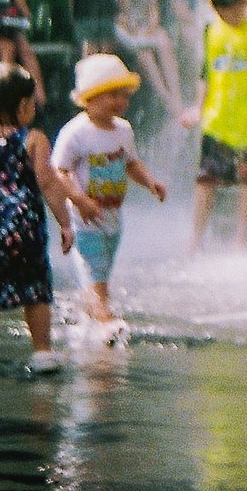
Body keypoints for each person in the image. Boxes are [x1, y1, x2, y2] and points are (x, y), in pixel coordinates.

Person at [0, 64, 75, 382]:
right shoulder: (34, 139)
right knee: (35, 290)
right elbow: (50, 183)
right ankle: (42, 351)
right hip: (24, 229)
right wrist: (66, 224)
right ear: (25, 106)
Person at [52, 53, 167, 335]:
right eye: (112, 95)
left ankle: (85, 314)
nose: (121, 102)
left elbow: (130, 164)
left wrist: (150, 182)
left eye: (124, 95)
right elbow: (59, 171)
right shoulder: (77, 132)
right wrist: (79, 200)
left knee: (102, 270)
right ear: (90, 97)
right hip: (85, 216)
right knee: (94, 269)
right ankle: (106, 322)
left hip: (114, 214)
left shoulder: (123, 131)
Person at [180, 0, 247, 252]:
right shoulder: (211, 31)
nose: (233, 15)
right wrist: (198, 108)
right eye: (227, 11)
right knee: (206, 179)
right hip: (216, 118)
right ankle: (195, 240)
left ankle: (240, 240)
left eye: (237, 8)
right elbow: (205, 74)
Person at [110, 0, 183, 111]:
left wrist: (152, 24)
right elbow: (119, 9)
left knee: (164, 42)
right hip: (125, 26)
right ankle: (168, 101)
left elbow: (153, 6)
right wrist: (133, 27)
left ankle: (177, 96)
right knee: (145, 52)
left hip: (145, 23)